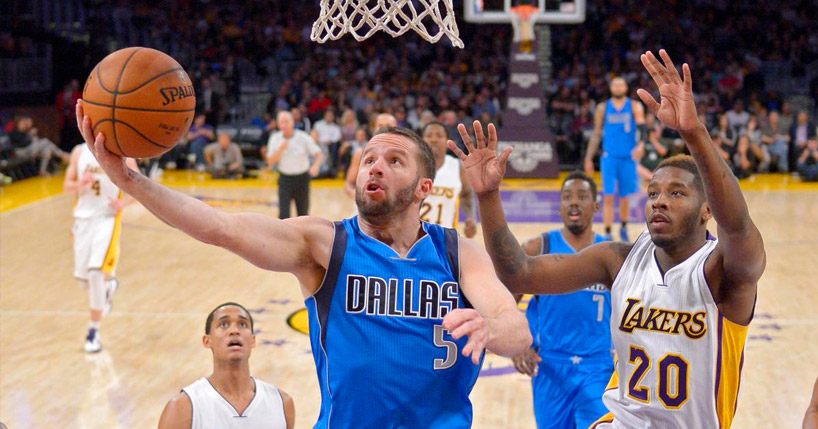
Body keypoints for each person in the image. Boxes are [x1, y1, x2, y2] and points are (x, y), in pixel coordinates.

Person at [76, 100, 530, 427]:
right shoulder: (324, 244)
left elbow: (517, 330)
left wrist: (489, 330)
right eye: (369, 159)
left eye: (394, 161)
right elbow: (220, 227)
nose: (375, 167)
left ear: (423, 188)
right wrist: (129, 180)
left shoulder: (456, 252)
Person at [452, 50, 765, 428]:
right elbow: (520, 274)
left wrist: (693, 133)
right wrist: (488, 197)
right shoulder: (617, 259)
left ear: (706, 209)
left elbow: (738, 227)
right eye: (652, 193)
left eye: (676, 193)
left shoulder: (724, 272)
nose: (659, 201)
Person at [510, 170, 613, 429]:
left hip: (598, 367)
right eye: (567, 197)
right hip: (550, 365)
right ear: (559, 207)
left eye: (581, 196)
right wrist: (518, 345)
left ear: (596, 206)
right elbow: (506, 301)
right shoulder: (537, 248)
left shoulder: (611, 254)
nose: (573, 202)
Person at [158, 302, 295, 429]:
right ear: (207, 341)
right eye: (223, 324)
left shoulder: (282, 403)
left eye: (242, 324)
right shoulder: (182, 408)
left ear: (253, 340)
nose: (234, 330)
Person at [63, 139, 138, 352]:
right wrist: (80, 184)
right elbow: (66, 186)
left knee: (96, 272)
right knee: (84, 281)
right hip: (82, 220)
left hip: (107, 219)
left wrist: (122, 203)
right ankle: (108, 287)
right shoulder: (78, 152)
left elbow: (139, 185)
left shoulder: (121, 151)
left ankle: (93, 331)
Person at [584, 77, 646, 242]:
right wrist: (588, 158)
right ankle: (608, 231)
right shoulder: (603, 107)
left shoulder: (634, 106)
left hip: (628, 158)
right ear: (610, 88)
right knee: (608, 196)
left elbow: (642, 127)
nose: (618, 87)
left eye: (621, 84)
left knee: (625, 196)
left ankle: (624, 228)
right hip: (609, 157)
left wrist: (641, 145)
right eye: (615, 85)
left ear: (626, 87)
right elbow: (596, 133)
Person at [418, 121, 477, 238]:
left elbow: (466, 194)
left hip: (445, 239)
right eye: (429, 136)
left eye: (439, 136)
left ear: (448, 141)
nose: (434, 139)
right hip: (414, 240)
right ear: (422, 141)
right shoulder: (412, 166)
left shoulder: (458, 166)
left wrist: (471, 217)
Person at [266, 111, 323, 219]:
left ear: (292, 122)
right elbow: (270, 161)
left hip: (302, 178)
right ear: (278, 124)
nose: (284, 125)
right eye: (281, 122)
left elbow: (319, 153)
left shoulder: (303, 137)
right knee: (283, 214)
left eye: (286, 122)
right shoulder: (275, 138)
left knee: (303, 213)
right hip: (285, 179)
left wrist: (315, 166)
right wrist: (280, 149)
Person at [344, 113, 397, 198]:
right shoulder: (360, 153)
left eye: (388, 126)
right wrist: (361, 198)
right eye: (380, 125)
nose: (384, 129)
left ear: (397, 129)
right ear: (374, 129)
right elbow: (348, 185)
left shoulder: (405, 154)